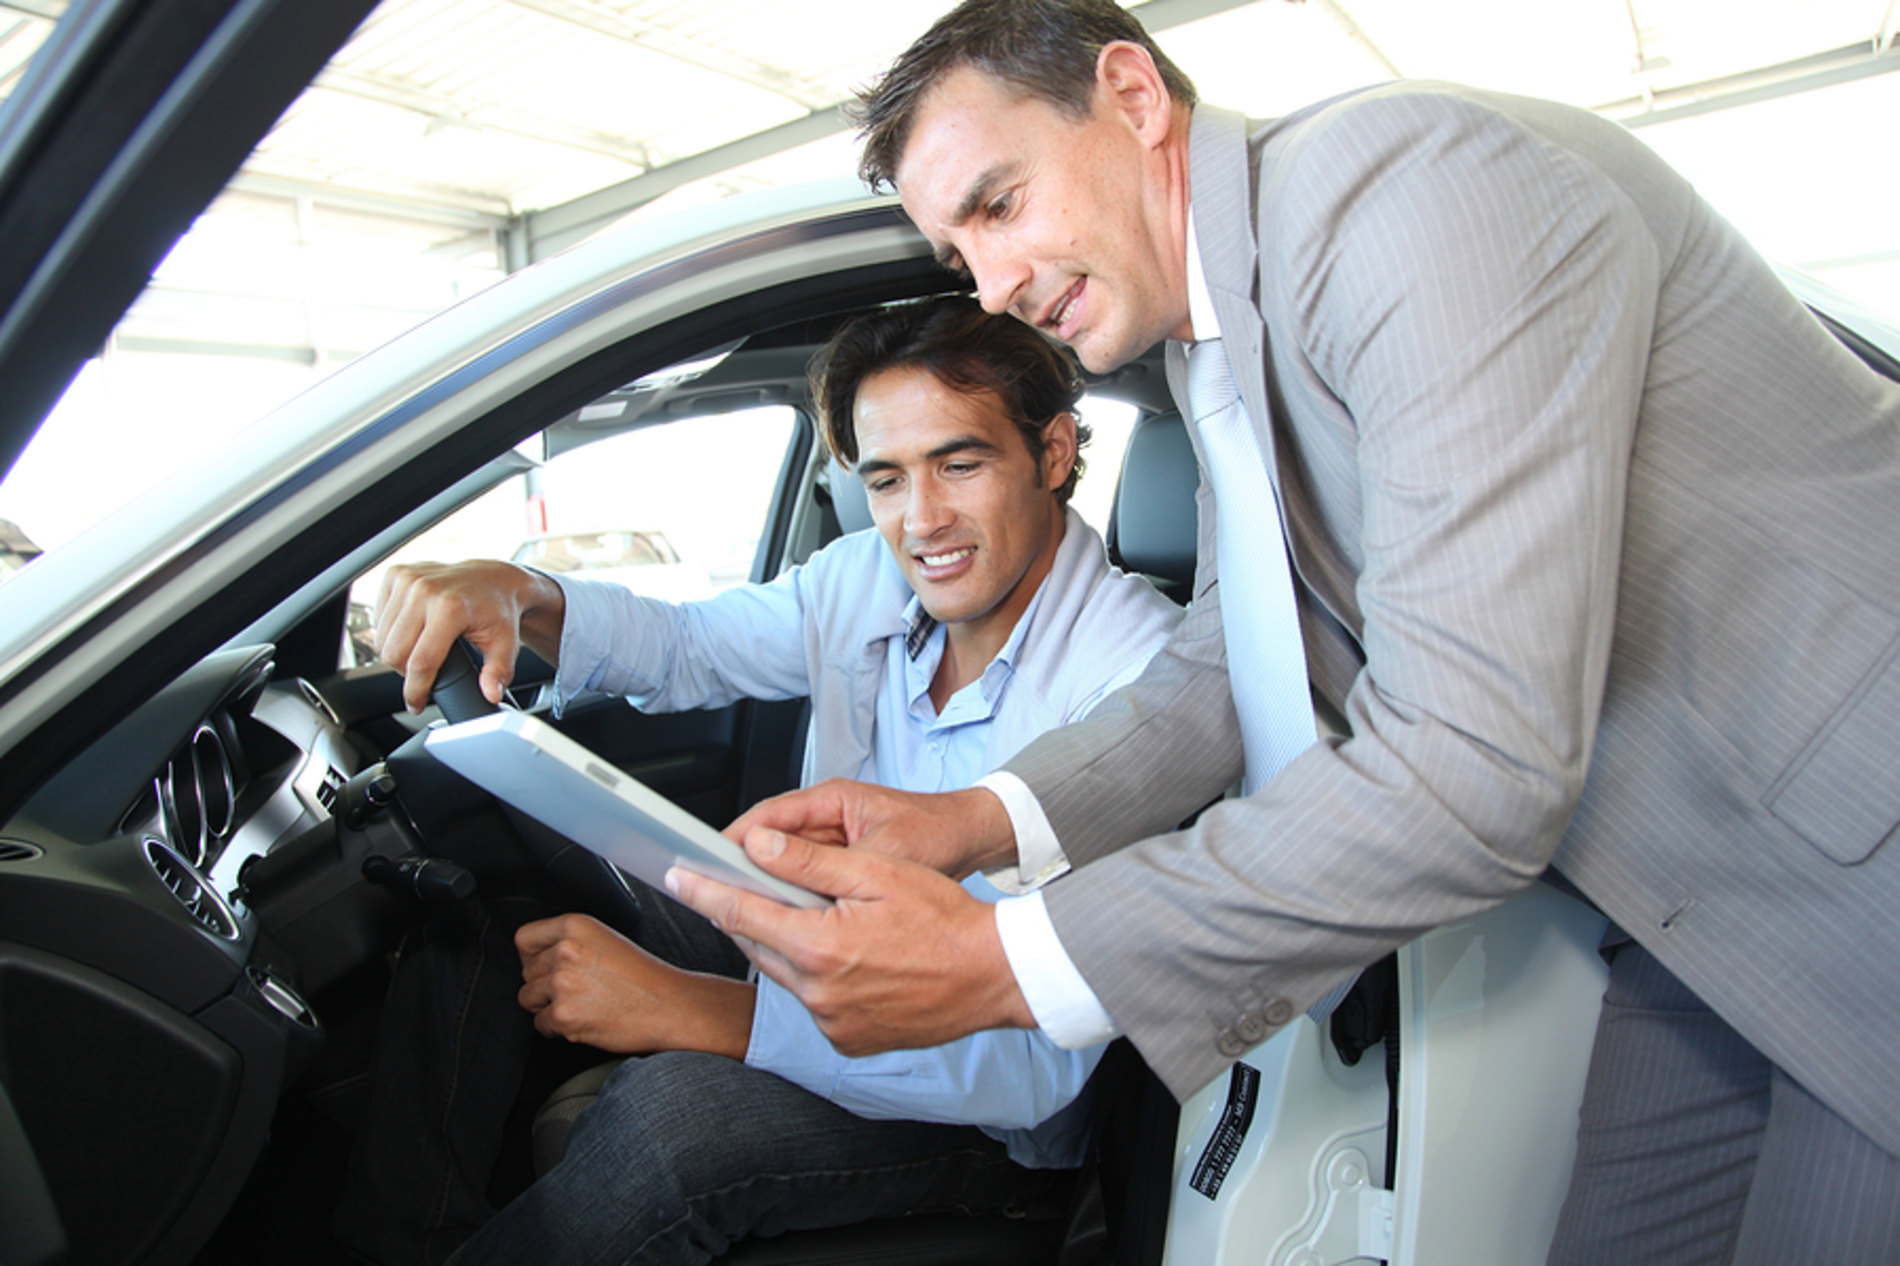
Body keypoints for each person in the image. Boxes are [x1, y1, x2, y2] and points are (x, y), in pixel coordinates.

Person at [665, 2, 1900, 1261]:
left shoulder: (1407, 198)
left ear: (1133, 98)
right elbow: (1230, 655)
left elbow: (1475, 764)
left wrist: (1009, 960)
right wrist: (974, 821)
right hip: (1687, 898)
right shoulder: (1216, 336)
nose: (995, 287)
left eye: (999, 204)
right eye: (957, 253)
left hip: (1858, 865)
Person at [339, 293, 1184, 1266]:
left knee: (671, 1121)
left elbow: (1031, 1058)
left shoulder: (1141, 686)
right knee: (478, 909)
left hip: (982, 1114)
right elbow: (690, 648)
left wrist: (698, 1011)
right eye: (887, 480)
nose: (922, 522)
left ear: (1052, 452)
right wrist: (523, 593)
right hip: (805, 943)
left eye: (960, 462)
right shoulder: (868, 576)